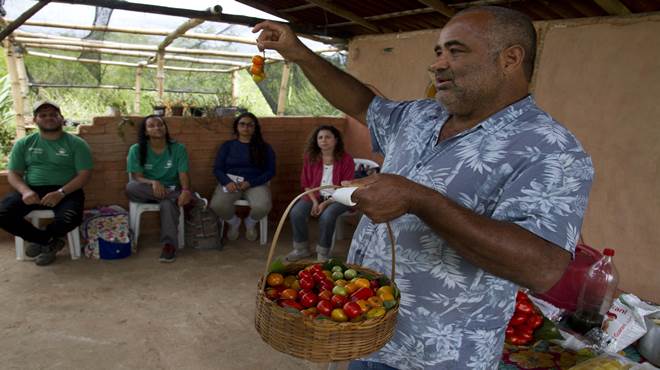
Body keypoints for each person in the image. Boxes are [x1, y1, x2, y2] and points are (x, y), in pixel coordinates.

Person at [254, 5, 594, 369]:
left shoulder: (551, 149)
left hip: (440, 357)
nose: (437, 64)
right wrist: (298, 52)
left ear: (510, 58)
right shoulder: (421, 116)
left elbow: (541, 268)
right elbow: (360, 102)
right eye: (437, 51)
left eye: (455, 50)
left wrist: (420, 200)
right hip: (367, 332)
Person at [0, 101, 93, 266]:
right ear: (35, 120)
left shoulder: (77, 144)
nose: (49, 118)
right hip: (32, 189)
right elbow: (14, 174)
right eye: (43, 115)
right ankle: (49, 241)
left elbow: (84, 175)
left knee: (70, 218)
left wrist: (61, 193)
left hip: (67, 190)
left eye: (53, 114)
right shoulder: (24, 144)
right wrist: (25, 191)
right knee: (2, 213)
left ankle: (43, 241)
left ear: (62, 119)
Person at [125, 115, 192, 263]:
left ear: (165, 127)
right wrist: (153, 182)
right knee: (131, 187)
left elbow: (183, 173)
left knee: (168, 204)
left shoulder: (178, 148)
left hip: (170, 188)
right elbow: (136, 177)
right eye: (151, 126)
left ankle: (169, 245)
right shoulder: (137, 149)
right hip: (146, 189)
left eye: (160, 124)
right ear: (146, 131)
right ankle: (177, 197)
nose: (157, 128)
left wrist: (186, 190)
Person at [286, 125, 355, 262]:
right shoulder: (310, 158)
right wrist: (315, 201)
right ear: (316, 141)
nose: (324, 140)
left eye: (328, 137)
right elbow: (306, 184)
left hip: (339, 198)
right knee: (296, 213)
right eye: (320, 137)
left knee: (327, 215)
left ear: (336, 140)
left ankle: (323, 253)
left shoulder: (347, 160)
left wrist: (325, 203)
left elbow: (346, 187)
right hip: (314, 195)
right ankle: (301, 249)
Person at [209, 112, 275, 242]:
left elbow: (270, 171)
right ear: (236, 127)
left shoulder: (265, 148)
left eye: (250, 125)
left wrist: (250, 183)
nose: (246, 127)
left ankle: (250, 222)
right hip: (231, 183)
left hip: (255, 183)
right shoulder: (227, 146)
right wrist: (227, 182)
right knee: (217, 205)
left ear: (255, 128)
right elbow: (217, 169)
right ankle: (234, 223)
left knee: (263, 206)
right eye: (242, 124)